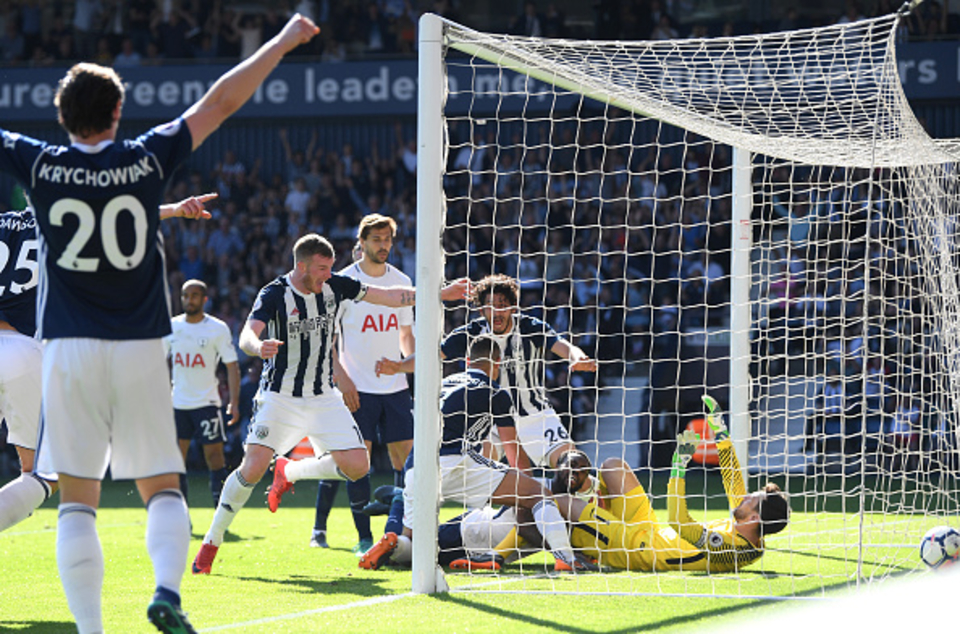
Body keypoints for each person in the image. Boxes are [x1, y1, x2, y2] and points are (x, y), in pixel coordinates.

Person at [0, 14, 321, 634]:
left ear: (62, 117)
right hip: (141, 347)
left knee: (76, 501)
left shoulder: (38, 165)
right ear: (118, 114)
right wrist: (281, 42)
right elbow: (221, 100)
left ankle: (92, 630)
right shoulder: (146, 159)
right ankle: (167, 592)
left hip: (66, 352)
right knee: (164, 488)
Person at [191, 233, 469, 575]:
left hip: (323, 396)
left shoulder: (336, 285)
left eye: (331, 268)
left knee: (358, 466)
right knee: (251, 469)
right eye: (322, 268)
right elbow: (248, 333)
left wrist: (439, 294)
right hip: (280, 396)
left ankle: (289, 470)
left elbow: (389, 296)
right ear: (302, 265)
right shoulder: (275, 293)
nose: (328, 274)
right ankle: (211, 542)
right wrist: (257, 345)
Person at [0, 196, 214, 536]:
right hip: (23, 353)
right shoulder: (62, 223)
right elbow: (123, 218)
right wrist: (175, 209)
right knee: (40, 474)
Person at [358, 335, 589, 572]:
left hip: (416, 466)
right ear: (497, 364)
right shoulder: (495, 391)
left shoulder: (444, 383)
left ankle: (395, 543)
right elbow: (512, 448)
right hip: (457, 461)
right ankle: (566, 558)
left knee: (415, 544)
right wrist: (525, 487)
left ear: (468, 361)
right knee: (541, 495)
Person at [377, 273, 596, 469]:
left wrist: (578, 357)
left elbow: (561, 345)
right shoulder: (472, 332)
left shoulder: (530, 327)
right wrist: (398, 366)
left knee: (572, 465)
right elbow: (432, 356)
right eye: (490, 305)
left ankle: (586, 504)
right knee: (481, 475)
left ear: (512, 307)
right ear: (481, 309)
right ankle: (488, 513)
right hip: (490, 421)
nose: (497, 311)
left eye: (503, 304)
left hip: (535, 416)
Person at [552, 396, 790, 572]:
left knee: (560, 501)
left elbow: (679, 522)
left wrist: (679, 466)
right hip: (650, 529)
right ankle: (588, 520)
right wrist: (721, 433)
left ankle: (572, 540)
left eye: (751, 499)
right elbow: (734, 483)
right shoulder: (751, 533)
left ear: (754, 518)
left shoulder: (730, 549)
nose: (745, 497)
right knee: (612, 466)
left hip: (636, 549)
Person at [311, 213, 415, 553]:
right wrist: (342, 379)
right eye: (377, 239)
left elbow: (406, 334)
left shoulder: (402, 281)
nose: (383, 245)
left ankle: (396, 530)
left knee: (406, 459)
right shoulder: (342, 283)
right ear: (362, 242)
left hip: (395, 388)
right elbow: (327, 339)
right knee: (357, 462)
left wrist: (405, 365)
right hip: (357, 388)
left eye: (388, 239)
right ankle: (362, 537)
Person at [164, 279, 241, 508]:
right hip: (178, 404)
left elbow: (232, 366)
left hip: (207, 403)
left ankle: (220, 513)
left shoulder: (217, 329)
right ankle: (181, 515)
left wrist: (234, 402)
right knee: (177, 462)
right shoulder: (172, 326)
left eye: (195, 295)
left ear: (204, 299)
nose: (189, 300)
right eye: (186, 295)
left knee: (215, 459)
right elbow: (156, 361)